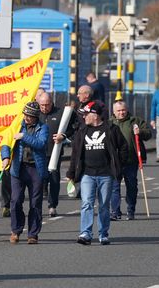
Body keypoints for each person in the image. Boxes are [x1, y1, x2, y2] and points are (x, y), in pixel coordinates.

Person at [66, 101, 127, 246]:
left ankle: (103, 233)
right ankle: (85, 233)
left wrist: (119, 165)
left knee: (104, 205)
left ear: (95, 115)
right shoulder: (82, 131)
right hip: (87, 174)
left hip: (106, 174)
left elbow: (124, 147)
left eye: (86, 114)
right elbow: (75, 154)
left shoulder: (111, 129)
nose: (84, 117)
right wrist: (71, 173)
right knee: (86, 203)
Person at [2, 101, 48, 244]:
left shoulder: (43, 128)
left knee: (35, 202)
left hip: (36, 169)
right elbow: (6, 142)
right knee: (15, 200)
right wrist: (5, 157)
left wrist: (24, 137)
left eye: (30, 116)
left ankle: (33, 234)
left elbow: (41, 144)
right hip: (18, 167)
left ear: (36, 117)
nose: (27, 118)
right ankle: (16, 231)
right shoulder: (16, 125)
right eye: (25, 114)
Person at [109, 100, 151, 220]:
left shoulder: (135, 121)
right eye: (119, 111)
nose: (121, 113)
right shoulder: (109, 123)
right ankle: (115, 212)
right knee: (114, 187)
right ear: (114, 111)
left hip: (131, 160)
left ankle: (130, 209)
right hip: (115, 162)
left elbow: (148, 134)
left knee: (132, 186)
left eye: (123, 110)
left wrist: (140, 132)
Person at [37, 92, 76, 218]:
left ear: (51, 102)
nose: (44, 108)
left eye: (47, 105)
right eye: (42, 105)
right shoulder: (35, 114)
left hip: (54, 152)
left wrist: (63, 136)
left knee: (54, 179)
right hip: (37, 153)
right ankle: (36, 206)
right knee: (38, 180)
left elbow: (72, 128)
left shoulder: (60, 113)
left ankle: (52, 206)